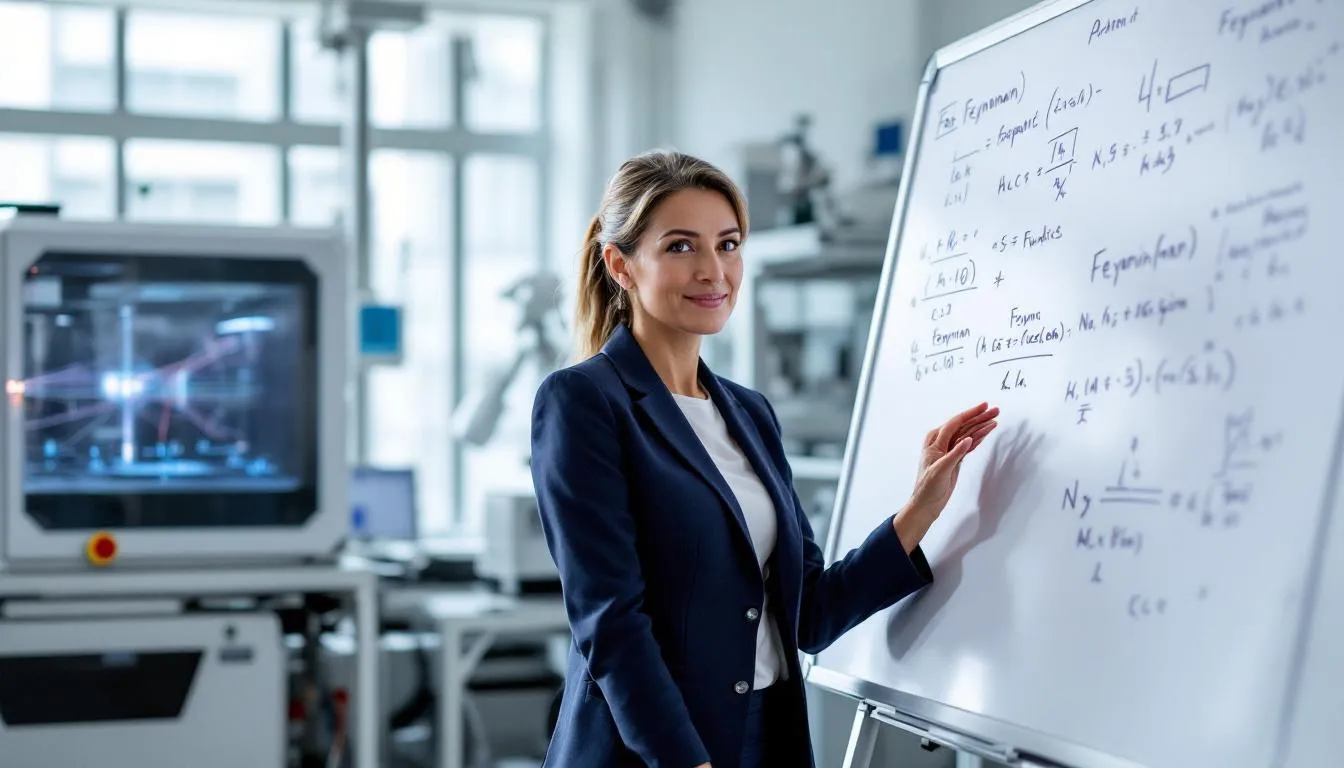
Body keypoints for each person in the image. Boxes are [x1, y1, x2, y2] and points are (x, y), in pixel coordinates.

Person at [530, 149, 999, 768]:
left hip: (766, 737)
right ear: (621, 265)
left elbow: (811, 615)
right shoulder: (584, 401)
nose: (713, 271)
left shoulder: (749, 413)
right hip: (651, 750)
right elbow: (612, 625)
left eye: (727, 245)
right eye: (680, 247)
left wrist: (920, 508)